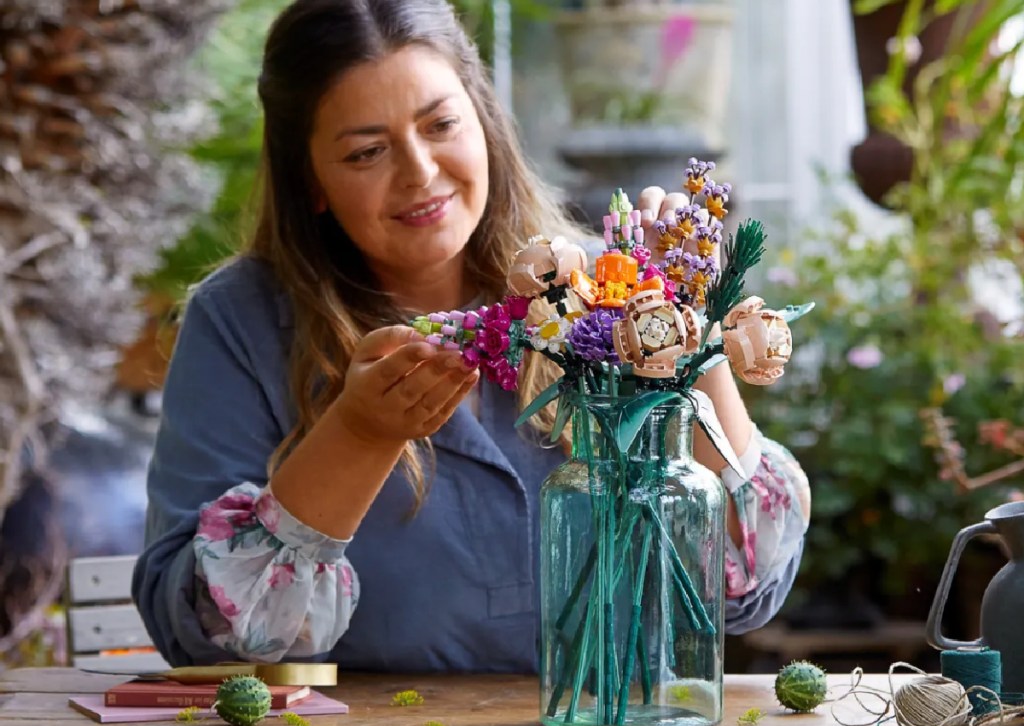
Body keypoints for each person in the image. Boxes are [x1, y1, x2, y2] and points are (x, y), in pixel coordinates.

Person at [133, 0, 812, 672]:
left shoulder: (612, 292)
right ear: (311, 181)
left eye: (441, 125)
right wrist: (357, 436)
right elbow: (195, 632)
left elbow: (745, 592)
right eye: (368, 152)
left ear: (484, 121)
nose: (420, 173)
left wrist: (687, 328)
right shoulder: (241, 321)